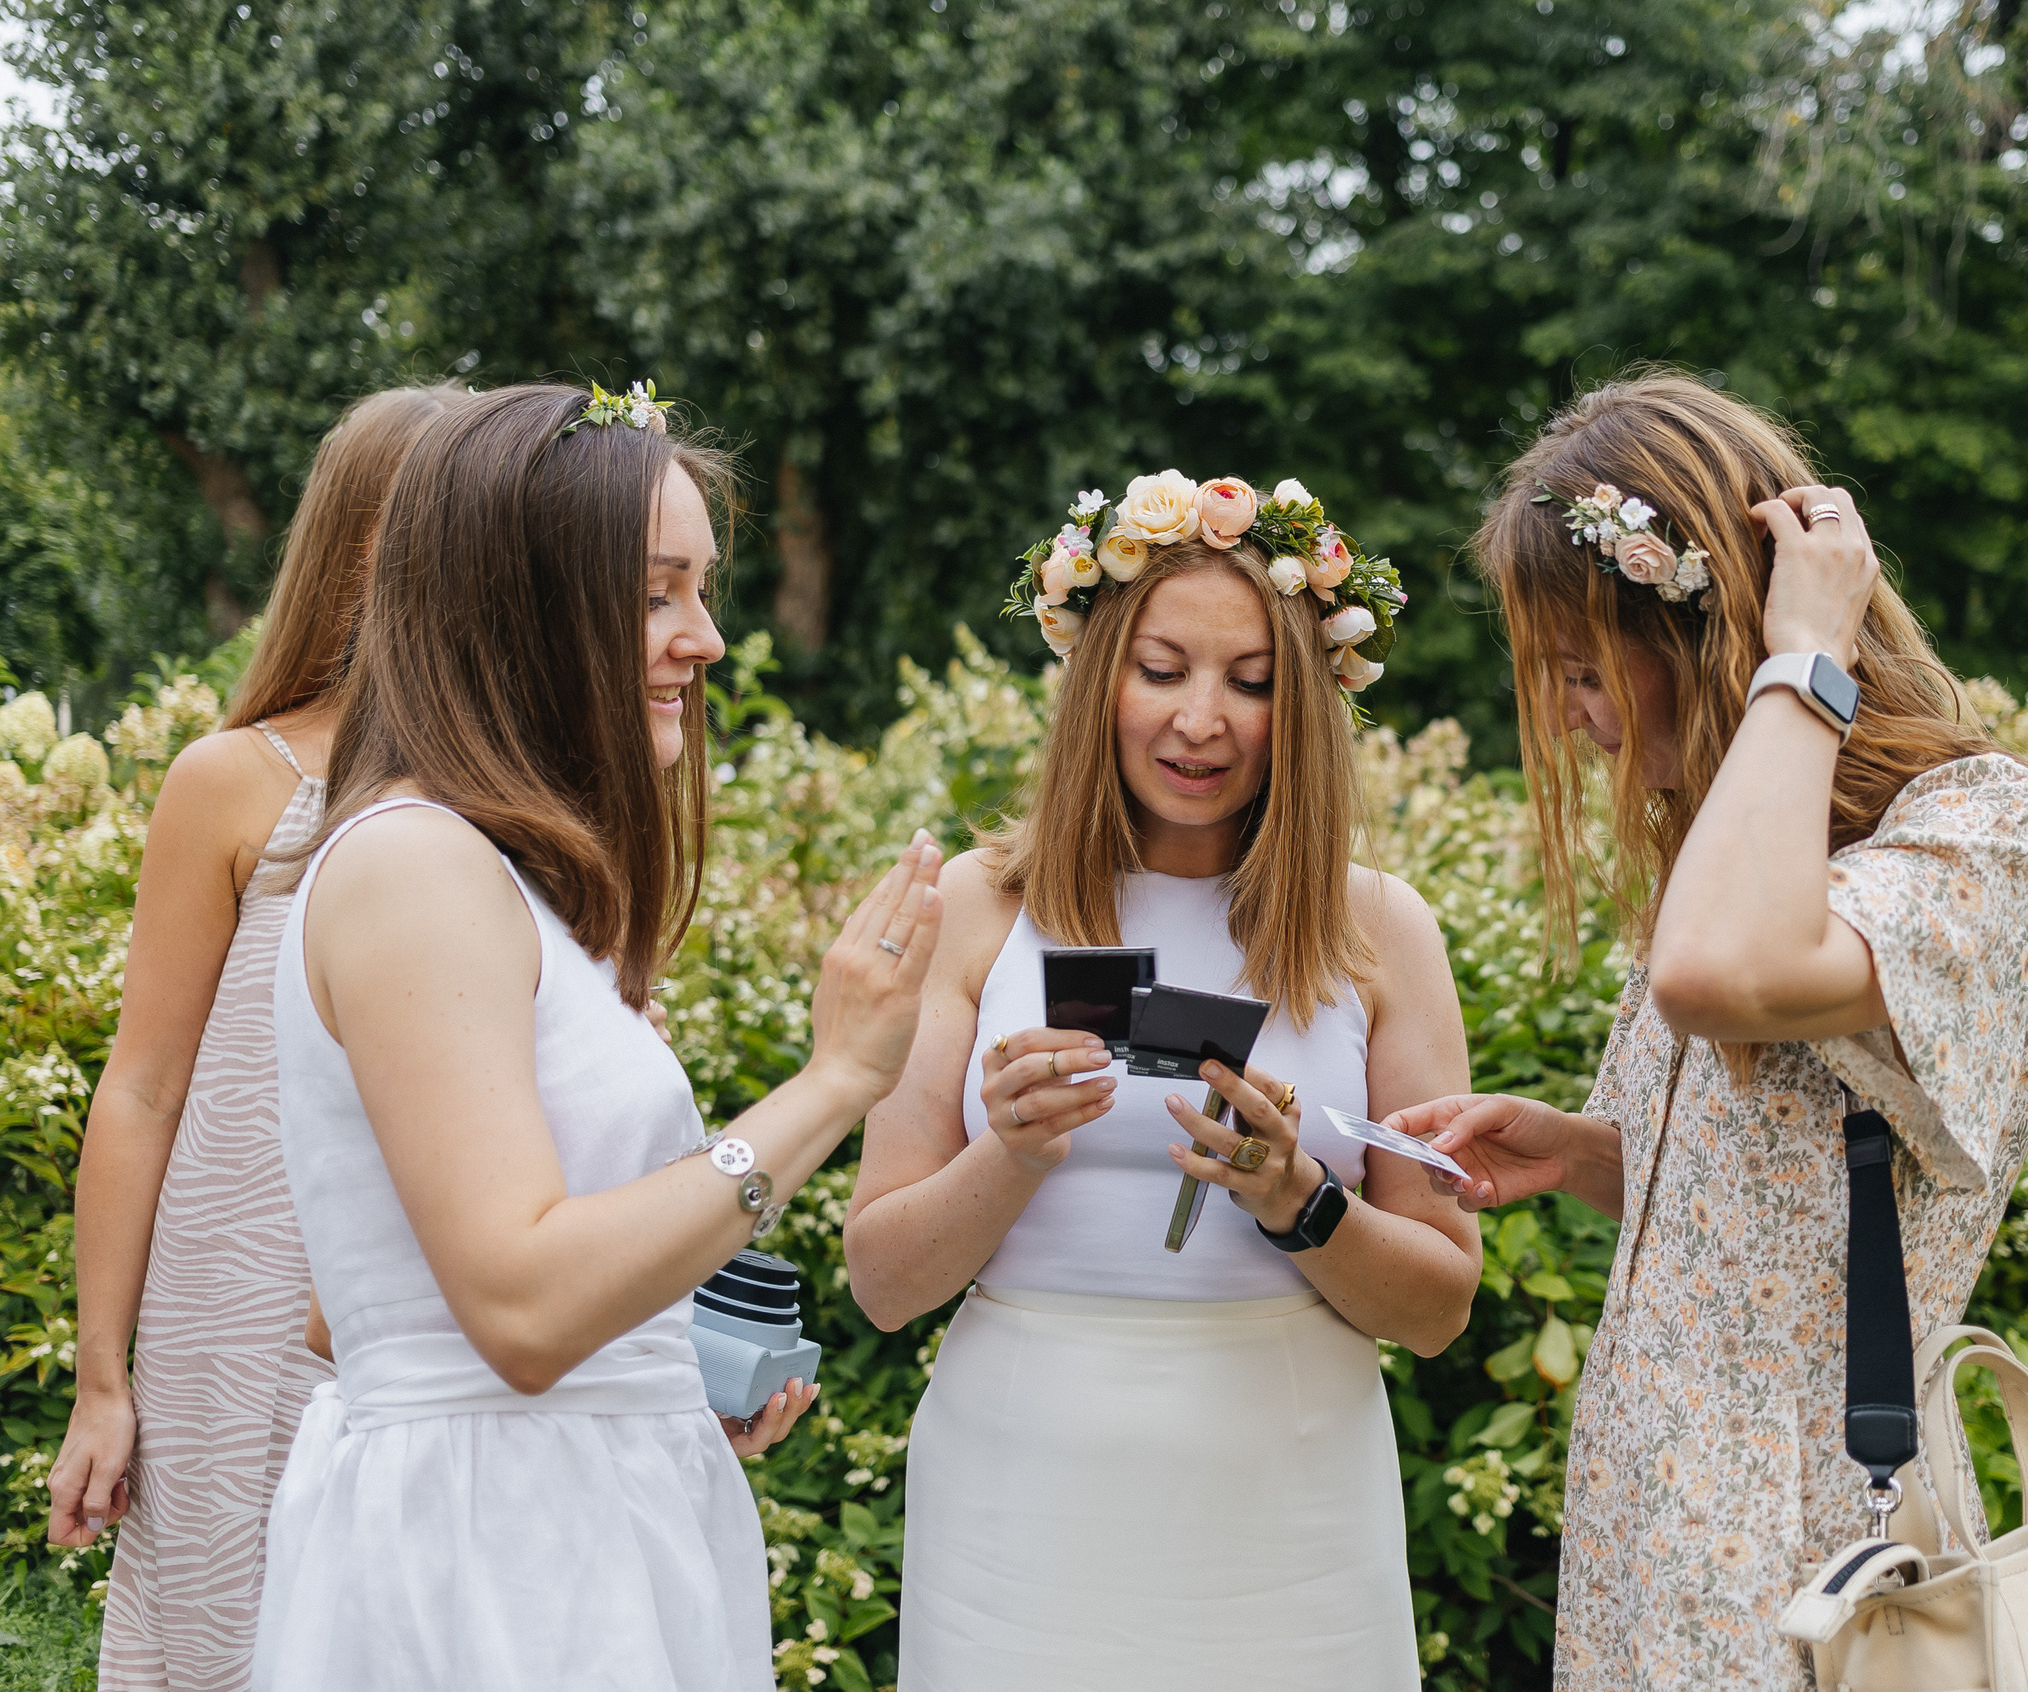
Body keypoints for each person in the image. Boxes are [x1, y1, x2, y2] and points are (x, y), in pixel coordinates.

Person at [1386, 369, 2028, 1691]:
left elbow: (1715, 975)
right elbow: (1769, 1208)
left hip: (1812, 1545)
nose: (1573, 716)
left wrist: (1802, 656)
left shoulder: (1980, 827)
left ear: (1711, 636)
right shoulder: (1735, 848)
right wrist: (1582, 1153)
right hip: (1651, 1530)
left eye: (1585, 670)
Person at [249, 381, 944, 1690]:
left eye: (704, 589)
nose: (707, 638)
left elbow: (360, 1310)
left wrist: (656, 1373)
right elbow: (519, 1310)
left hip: (581, 1508)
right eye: (655, 595)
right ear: (517, 606)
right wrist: (836, 1078)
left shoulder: (500, 886)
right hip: (493, 1558)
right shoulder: (414, 869)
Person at [843, 471, 1479, 1690]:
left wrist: (1300, 1200)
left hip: (1290, 1500)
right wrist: (1011, 1153)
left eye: (1253, 682)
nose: (1202, 720)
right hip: (1019, 1494)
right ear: (1099, 679)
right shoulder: (978, 909)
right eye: (1162, 669)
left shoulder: (1380, 930)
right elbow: (882, 1284)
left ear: (1305, 708)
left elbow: (1438, 1307)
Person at [47, 383, 465, 1692]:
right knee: (232, 1631)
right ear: (360, 545)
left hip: (436, 1302)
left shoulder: (520, 795)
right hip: (229, 1310)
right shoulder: (237, 779)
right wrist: (101, 1380)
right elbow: (143, 1089)